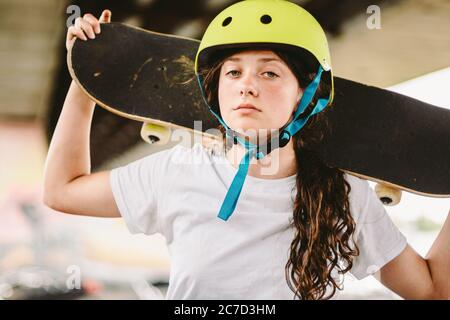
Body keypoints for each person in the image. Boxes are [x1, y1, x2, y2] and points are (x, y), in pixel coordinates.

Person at [43, 0, 448, 300]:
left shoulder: (345, 195)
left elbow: (431, 289)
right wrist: (88, 80)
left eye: (269, 72)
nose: (246, 85)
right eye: (233, 72)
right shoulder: (178, 171)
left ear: (305, 96)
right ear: (215, 92)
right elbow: (62, 191)